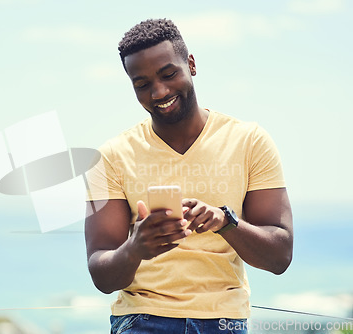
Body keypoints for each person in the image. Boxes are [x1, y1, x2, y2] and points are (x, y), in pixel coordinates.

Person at [84, 18, 293, 333]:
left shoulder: (250, 141)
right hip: (142, 320)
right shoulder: (111, 157)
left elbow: (280, 257)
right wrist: (136, 247)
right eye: (142, 84)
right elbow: (102, 276)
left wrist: (224, 221)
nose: (159, 91)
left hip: (224, 323)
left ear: (191, 64)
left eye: (169, 74)